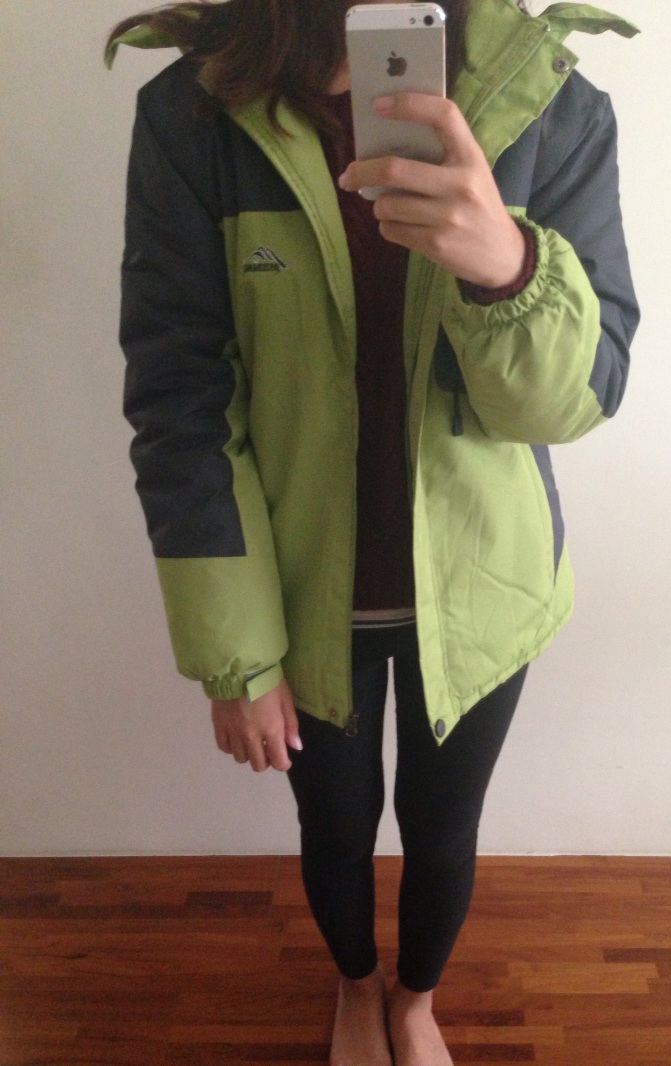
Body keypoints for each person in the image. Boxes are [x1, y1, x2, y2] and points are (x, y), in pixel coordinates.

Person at [107, 0, 639, 1062]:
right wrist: (235, 653)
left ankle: (415, 1002)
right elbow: (180, 402)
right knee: (335, 828)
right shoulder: (199, 114)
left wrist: (508, 270)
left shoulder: (546, 104)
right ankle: (356, 987)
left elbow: (580, 398)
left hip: (481, 581)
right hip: (301, 594)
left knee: (442, 831)